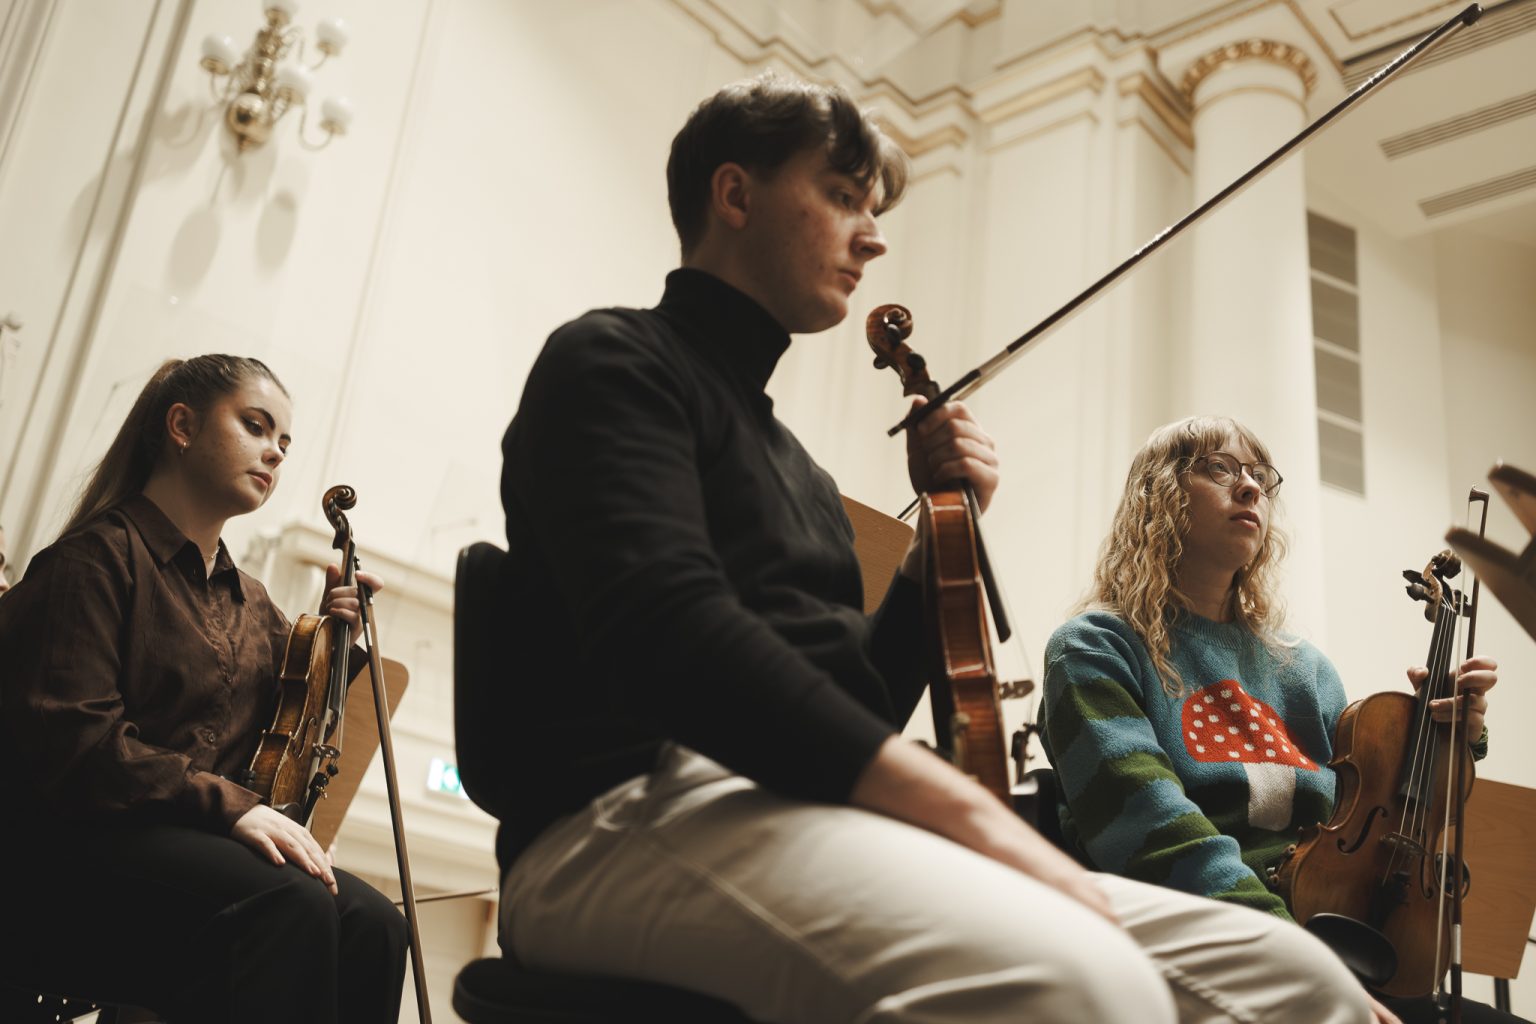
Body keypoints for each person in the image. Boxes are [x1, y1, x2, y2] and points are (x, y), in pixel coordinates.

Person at [463, 74, 1377, 1024]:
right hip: (611, 823)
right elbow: (672, 636)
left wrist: (939, 540)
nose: (874, 237)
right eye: (842, 196)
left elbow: (856, 704)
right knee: (1075, 979)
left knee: (1296, 978)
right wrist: (966, 813)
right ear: (734, 194)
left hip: (785, 812)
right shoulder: (615, 363)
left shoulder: (804, 478)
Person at [1040, 414, 1522, 1024]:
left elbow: (1383, 821)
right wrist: (1296, 956)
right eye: (1219, 468)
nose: (1249, 488)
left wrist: (1453, 736)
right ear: (1157, 494)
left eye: (1260, 476)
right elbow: (1150, 830)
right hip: (1200, 949)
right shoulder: (1094, 647)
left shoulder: (1305, 669)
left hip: (1330, 945)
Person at [0, 355, 408, 1023]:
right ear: (182, 427)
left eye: (284, 442)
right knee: (291, 901)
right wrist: (234, 810)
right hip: (70, 859)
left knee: (375, 923)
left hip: (189, 849)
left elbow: (289, 738)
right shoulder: (92, 561)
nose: (275, 452)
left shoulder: (252, 601)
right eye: (255, 426)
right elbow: (80, 742)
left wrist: (338, 638)